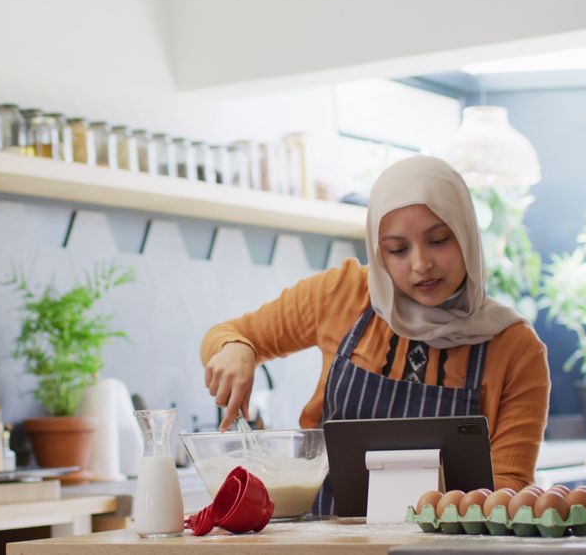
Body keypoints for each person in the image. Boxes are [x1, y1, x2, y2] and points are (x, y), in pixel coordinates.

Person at [199, 155, 550, 514]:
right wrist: (236, 349)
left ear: (466, 234)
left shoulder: (515, 348)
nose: (420, 264)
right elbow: (231, 334)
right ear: (378, 251)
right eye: (397, 249)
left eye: (439, 240)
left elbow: (510, 488)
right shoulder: (342, 294)